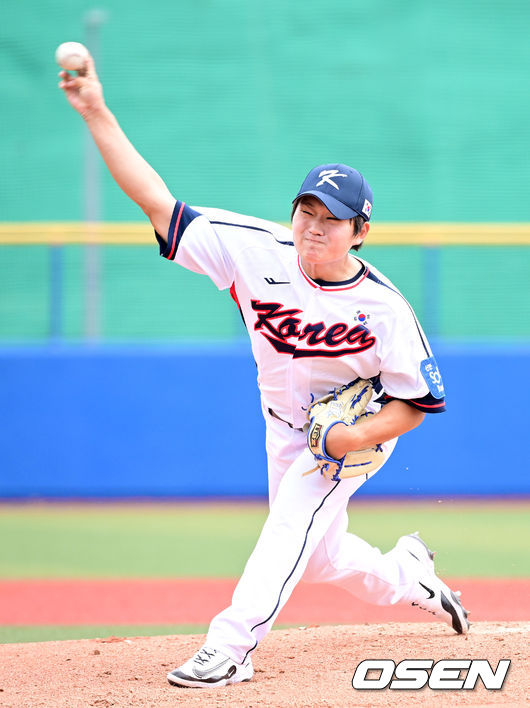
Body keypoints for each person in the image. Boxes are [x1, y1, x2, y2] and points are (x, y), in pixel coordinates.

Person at [59, 54, 469, 690]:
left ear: (360, 231)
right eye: (307, 211)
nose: (314, 227)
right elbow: (156, 203)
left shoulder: (385, 308)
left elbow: (416, 403)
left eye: (331, 219)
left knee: (288, 524)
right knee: (320, 554)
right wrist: (95, 112)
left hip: (356, 431)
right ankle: (409, 576)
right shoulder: (252, 249)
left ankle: (230, 647)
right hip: (284, 426)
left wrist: (353, 437)